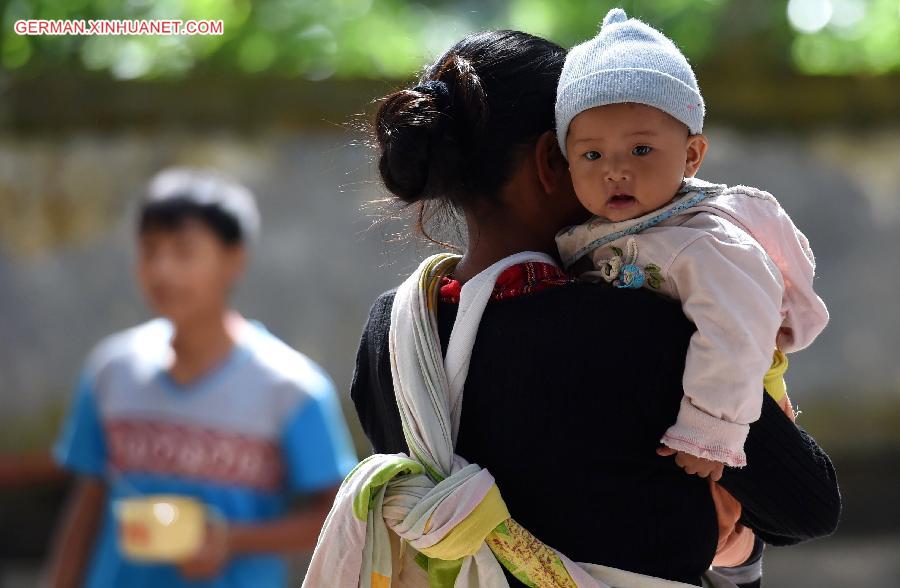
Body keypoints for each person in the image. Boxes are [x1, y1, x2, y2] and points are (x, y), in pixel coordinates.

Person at [347, 29, 840, 588]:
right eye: (591, 149)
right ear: (552, 163)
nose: (617, 170)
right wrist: (718, 532)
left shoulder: (390, 334)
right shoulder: (640, 332)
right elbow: (809, 505)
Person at [552, 8, 831, 578]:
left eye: (641, 151)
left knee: (726, 520)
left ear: (693, 155)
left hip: (727, 404)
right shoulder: (600, 234)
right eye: (592, 155)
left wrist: (709, 431)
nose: (615, 172)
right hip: (670, 411)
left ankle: (740, 564)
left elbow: (737, 330)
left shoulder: (704, 238)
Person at [46, 168, 358, 588]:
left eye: (183, 250)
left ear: (234, 259)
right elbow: (87, 503)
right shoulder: (110, 373)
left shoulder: (290, 389)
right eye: (150, 250)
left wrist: (230, 540)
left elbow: (342, 512)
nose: (162, 269)